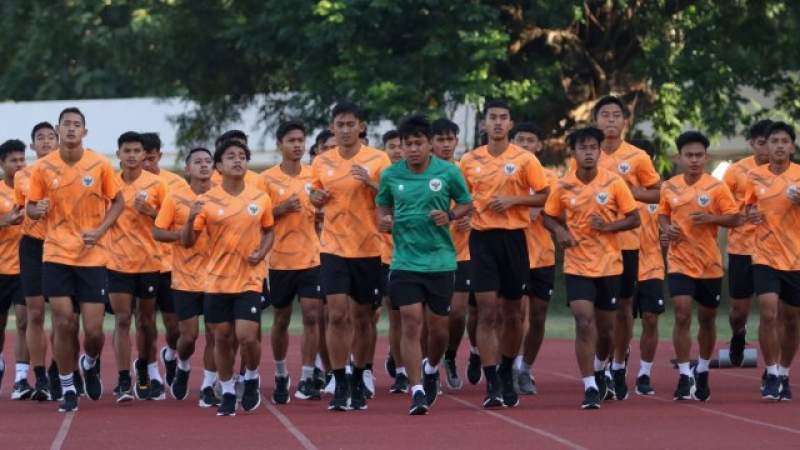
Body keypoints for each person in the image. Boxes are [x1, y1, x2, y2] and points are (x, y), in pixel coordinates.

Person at [27, 107, 124, 412]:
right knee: (65, 322)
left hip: (92, 255)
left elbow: (119, 201)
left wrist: (100, 230)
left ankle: (90, 361)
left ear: (85, 131)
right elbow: (30, 208)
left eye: (76, 125)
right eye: (66, 125)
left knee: (93, 331)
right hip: (56, 253)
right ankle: (68, 385)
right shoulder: (42, 167)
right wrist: (35, 211)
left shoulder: (100, 164)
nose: (71, 129)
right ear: (58, 131)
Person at [377, 114, 472, 415]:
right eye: (408, 144)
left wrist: (452, 216)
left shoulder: (447, 172)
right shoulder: (391, 175)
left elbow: (467, 202)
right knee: (410, 322)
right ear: (401, 147)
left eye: (419, 143)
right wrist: (384, 220)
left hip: (440, 261)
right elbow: (382, 207)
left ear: (430, 145)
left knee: (439, 330)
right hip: (404, 261)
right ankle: (416, 389)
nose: (414, 149)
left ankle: (432, 367)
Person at [459, 99, 549, 408]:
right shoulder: (470, 160)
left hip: (514, 240)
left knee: (514, 314)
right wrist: (454, 213)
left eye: (503, 118)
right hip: (482, 240)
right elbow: (459, 197)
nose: (498, 123)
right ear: (484, 124)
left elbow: (545, 196)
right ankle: (492, 381)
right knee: (487, 311)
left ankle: (509, 368)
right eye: (492, 118)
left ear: (510, 124)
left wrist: (513, 201)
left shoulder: (525, 160)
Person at [543, 126, 640, 409]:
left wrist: (609, 226)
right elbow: (548, 217)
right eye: (582, 147)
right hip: (577, 266)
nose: (588, 152)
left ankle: (600, 367)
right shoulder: (562, 185)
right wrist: (559, 231)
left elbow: (634, 219)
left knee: (607, 330)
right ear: (573, 152)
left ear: (599, 152)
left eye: (593, 148)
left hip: (610, 266)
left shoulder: (614, 183)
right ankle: (588, 386)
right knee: (584, 322)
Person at [182, 139, 274, 416]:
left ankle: (252, 375)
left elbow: (269, 230)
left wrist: (262, 250)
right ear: (219, 167)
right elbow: (188, 242)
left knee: (246, 336)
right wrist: (189, 219)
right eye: (231, 157)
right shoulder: (206, 200)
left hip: (249, 279)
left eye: (242, 156)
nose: (238, 160)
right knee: (221, 338)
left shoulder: (260, 198)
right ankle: (228, 391)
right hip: (217, 281)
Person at [310, 101, 391, 411]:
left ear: (362, 127)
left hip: (369, 248)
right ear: (332, 128)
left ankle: (360, 375)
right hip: (333, 248)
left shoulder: (378, 159)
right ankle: (340, 378)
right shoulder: (322, 161)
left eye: (350, 124)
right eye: (339, 125)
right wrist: (315, 198)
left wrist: (371, 182)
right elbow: (314, 194)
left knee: (364, 317)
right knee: (337, 313)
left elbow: (394, 195)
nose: (344, 130)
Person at [658, 131, 738, 402]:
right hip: (680, 261)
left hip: (709, 264)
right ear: (679, 158)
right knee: (681, 313)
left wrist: (710, 218)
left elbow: (734, 219)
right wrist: (668, 231)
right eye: (688, 155)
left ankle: (702, 369)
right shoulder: (669, 186)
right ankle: (683, 374)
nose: (694, 160)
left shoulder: (716, 187)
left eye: (699, 155)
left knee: (707, 319)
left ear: (706, 157)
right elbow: (662, 215)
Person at [591, 96, 661, 400]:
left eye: (615, 115)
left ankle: (617, 366)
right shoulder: (587, 155)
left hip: (629, 244)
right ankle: (601, 366)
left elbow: (658, 192)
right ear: (595, 121)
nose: (610, 120)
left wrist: (629, 192)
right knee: (598, 314)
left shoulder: (638, 157)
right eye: (604, 115)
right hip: (595, 247)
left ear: (624, 122)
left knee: (622, 311)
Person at [259, 121, 325, 403]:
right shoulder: (266, 179)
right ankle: (281, 371)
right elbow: (255, 218)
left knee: (312, 315)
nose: (297, 145)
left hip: (311, 256)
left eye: (300, 140)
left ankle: (309, 375)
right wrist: (280, 209)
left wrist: (322, 211)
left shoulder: (315, 175)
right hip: (280, 260)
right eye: (291, 140)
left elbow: (324, 210)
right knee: (281, 319)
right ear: (280, 144)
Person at [154, 147, 221, 407]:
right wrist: (182, 236)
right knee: (189, 337)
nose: (204, 166)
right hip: (185, 278)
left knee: (215, 333)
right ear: (187, 169)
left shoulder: (222, 197)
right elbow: (158, 232)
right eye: (197, 162)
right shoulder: (175, 197)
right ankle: (180, 364)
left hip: (217, 277)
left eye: (208, 161)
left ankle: (207, 385)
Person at [106, 132, 167, 402]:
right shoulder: (107, 183)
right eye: (126, 151)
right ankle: (122, 379)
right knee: (122, 320)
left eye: (136, 151)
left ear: (145, 155)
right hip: (116, 262)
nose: (131, 156)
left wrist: (152, 212)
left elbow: (171, 224)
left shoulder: (157, 184)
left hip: (149, 262)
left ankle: (145, 368)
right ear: (118, 154)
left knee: (146, 322)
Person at [743, 121, 800, 401]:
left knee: (791, 320)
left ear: (792, 146)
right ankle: (773, 372)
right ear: (767, 145)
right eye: (773, 140)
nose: (778, 145)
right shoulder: (755, 176)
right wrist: (750, 215)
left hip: (796, 259)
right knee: (768, 312)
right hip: (764, 254)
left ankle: (785, 373)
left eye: (783, 141)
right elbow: (747, 209)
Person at [511, 122, 557, 395]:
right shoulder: (507, 177)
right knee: (517, 313)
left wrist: (542, 209)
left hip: (543, 256)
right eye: (521, 140)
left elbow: (557, 211)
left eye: (530, 140)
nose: (525, 145)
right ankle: (513, 367)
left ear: (539, 146)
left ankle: (526, 367)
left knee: (538, 316)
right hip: (514, 256)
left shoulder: (550, 179)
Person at [16, 122, 61, 401]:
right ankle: (40, 375)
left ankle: (60, 370)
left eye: (49, 137)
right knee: (34, 313)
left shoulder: (71, 169)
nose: (45, 141)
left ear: (57, 142)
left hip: (61, 246)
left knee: (62, 314)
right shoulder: (24, 174)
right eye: (40, 138)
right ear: (32, 145)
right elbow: (31, 201)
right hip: (33, 247)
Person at [723, 120, 773, 366]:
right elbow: (719, 206)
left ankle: (773, 368)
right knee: (739, 311)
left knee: (769, 311)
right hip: (741, 249)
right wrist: (741, 214)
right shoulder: (735, 171)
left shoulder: (790, 173)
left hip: (775, 251)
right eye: (761, 143)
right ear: (752, 144)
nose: (766, 149)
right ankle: (738, 335)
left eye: (771, 142)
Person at [140, 132, 188, 387]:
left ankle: (169, 354)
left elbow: (180, 222)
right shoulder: (126, 182)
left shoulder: (177, 184)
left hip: (171, 264)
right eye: (141, 158)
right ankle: (150, 374)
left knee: (175, 326)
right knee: (144, 322)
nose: (145, 164)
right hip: (138, 263)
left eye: (150, 158)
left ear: (159, 154)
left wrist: (153, 212)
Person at [429, 118, 474, 391]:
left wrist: (469, 218)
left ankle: (450, 356)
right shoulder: (421, 172)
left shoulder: (465, 171)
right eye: (440, 140)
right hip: (428, 254)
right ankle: (426, 365)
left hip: (461, 253)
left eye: (450, 139)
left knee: (457, 314)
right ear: (431, 143)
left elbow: (474, 203)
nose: (446, 145)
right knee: (428, 317)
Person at [628, 139, 666, 396]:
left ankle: (644, 373)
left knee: (650, 319)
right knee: (619, 323)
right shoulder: (620, 191)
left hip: (652, 266)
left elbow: (672, 223)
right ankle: (614, 366)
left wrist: (668, 237)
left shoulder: (661, 194)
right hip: (623, 265)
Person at [379, 130, 410, 393]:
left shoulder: (417, 177)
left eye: (402, 146)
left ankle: (413, 363)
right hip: (384, 256)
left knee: (413, 317)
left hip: (413, 255)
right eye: (392, 146)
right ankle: (401, 371)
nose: (398, 151)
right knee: (395, 315)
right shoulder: (382, 177)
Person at [0, 140, 28, 399]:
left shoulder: (31, 190)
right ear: (2, 164)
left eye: (22, 160)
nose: (19, 165)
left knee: (23, 322)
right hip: (0, 269)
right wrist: (4, 221)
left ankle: (21, 378)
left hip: (24, 270)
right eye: (13, 161)